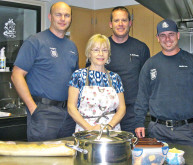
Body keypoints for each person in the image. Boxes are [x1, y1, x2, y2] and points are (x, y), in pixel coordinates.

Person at [134, 19, 193, 147]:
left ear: (178, 35)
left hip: (189, 132)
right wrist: (138, 122)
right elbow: (142, 97)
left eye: (171, 34)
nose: (167, 39)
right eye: (163, 35)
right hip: (158, 131)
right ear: (158, 38)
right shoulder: (150, 65)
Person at [11, 2, 79, 141]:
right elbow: (16, 75)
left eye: (67, 15)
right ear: (50, 17)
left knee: (67, 158)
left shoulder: (72, 46)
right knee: (42, 159)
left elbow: (75, 82)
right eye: (58, 15)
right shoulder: (35, 41)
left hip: (68, 115)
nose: (62, 19)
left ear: (71, 19)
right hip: (44, 113)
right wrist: (33, 108)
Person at [105, 6, 150, 135]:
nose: (120, 24)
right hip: (107, 113)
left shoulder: (141, 48)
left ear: (130, 23)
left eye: (124, 20)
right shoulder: (102, 47)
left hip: (132, 114)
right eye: (116, 20)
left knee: (132, 151)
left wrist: (140, 117)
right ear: (110, 24)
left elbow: (146, 84)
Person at [67, 34, 126, 132]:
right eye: (96, 50)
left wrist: (109, 127)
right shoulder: (78, 76)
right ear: (89, 53)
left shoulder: (115, 78)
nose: (101, 54)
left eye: (104, 50)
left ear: (108, 54)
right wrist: (90, 128)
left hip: (111, 130)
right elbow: (71, 107)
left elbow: (122, 108)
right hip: (85, 130)